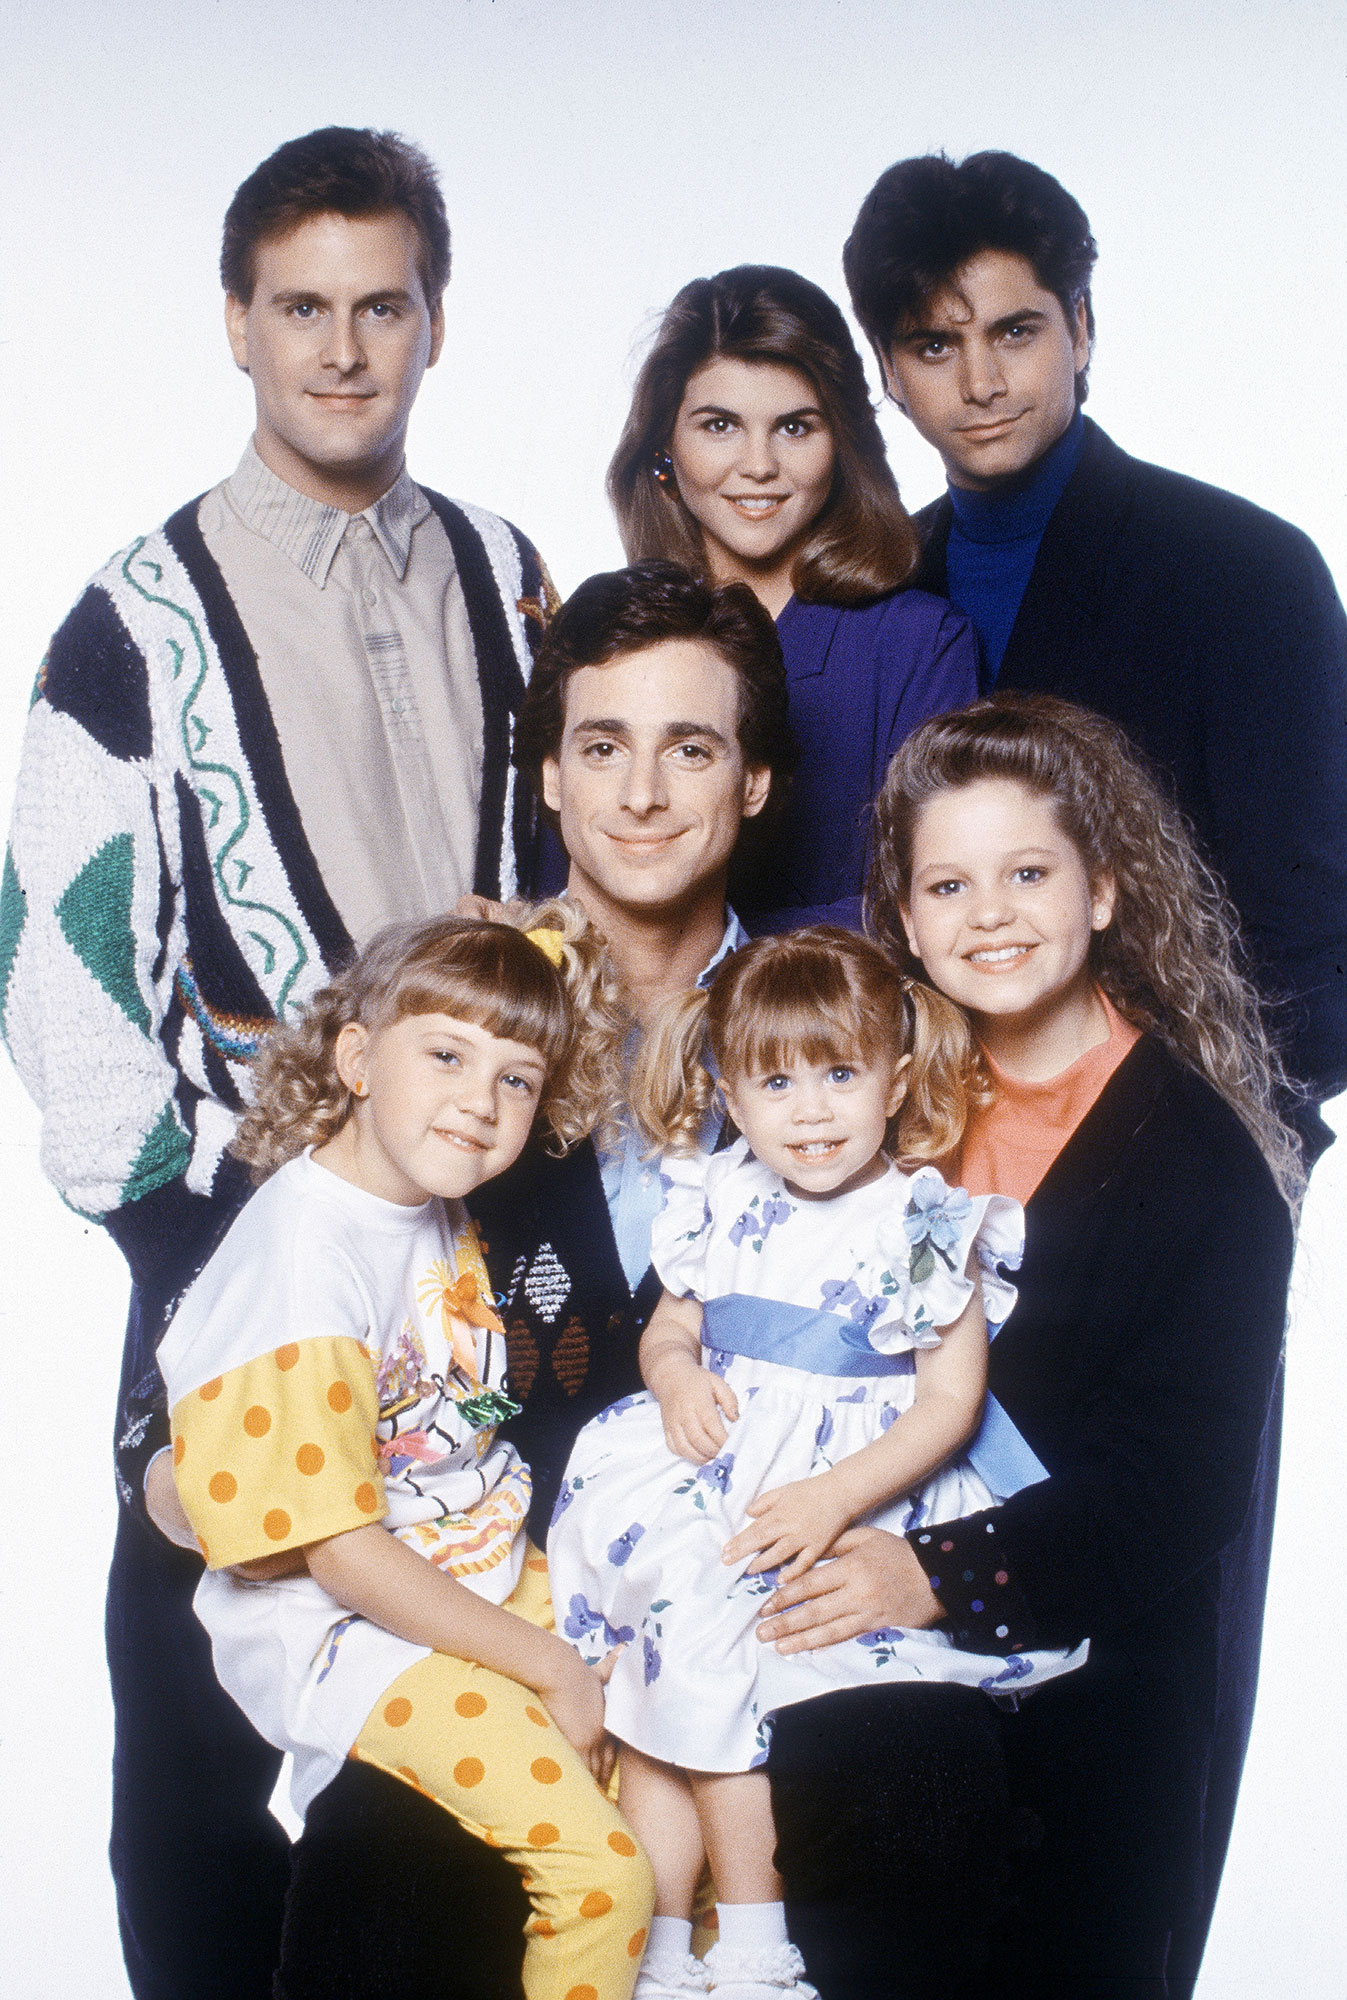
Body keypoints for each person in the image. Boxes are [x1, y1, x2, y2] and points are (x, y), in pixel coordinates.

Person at [0, 126, 550, 1999]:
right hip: (246, 1250)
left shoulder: (508, 573)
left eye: (380, 306)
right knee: (204, 1713)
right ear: (235, 323)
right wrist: (190, 1239)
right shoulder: (133, 620)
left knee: (472, 1706)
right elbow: (60, 960)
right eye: (300, 307)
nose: (341, 348)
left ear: (434, 323)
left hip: (482, 1250)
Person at [274, 559, 798, 1998]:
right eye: (601, 746)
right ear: (551, 779)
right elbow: (288, 1267)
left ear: (754, 781)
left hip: (744, 1603)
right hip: (482, 1605)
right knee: (380, 1875)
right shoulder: (447, 1006)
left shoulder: (827, 1024)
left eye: (690, 749)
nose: (643, 793)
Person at [752, 696, 1298, 1998]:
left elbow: (1177, 1486)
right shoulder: (865, 1094)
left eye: (1027, 874)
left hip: (1073, 1718)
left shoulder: (1197, 1165)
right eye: (948, 884)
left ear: (1102, 889)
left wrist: (927, 1574)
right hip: (819, 1650)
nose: (987, 915)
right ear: (904, 913)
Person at [548, 928, 1080, 2000]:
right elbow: (670, 1327)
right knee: (655, 1684)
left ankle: (753, 1941)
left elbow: (949, 1402)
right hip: (711, 1464)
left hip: (843, 1478)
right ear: (732, 1099)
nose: (811, 1110)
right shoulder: (717, 1192)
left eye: (840, 1074)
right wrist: (674, 1376)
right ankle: (660, 1945)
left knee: (729, 1671)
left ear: (896, 1077)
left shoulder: (924, 1222)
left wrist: (836, 1496)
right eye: (776, 1082)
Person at [156, 911, 655, 2000]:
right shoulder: (305, 1254)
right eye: (445, 1054)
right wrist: (551, 1665)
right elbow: (338, 1550)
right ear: (355, 1058)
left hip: (474, 1563)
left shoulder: (426, 1203)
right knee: (606, 1879)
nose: (481, 1100)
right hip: (351, 1626)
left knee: (667, 1776)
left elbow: (450, 1411)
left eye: (517, 1078)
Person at [841, 147, 1347, 1161]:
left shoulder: (1243, 568)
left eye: (1014, 331)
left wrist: (1178, 1138)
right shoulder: (878, 592)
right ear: (888, 372)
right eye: (935, 345)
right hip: (924, 1155)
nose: (981, 383)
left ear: (1080, 328)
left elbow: (1316, 941)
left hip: (1184, 1150)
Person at [606, 266, 978, 929]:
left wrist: (687, 954)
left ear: (841, 444)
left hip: (849, 997)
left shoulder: (918, 645)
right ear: (664, 446)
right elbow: (566, 897)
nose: (758, 465)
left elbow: (935, 899)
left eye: (795, 428)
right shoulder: (609, 638)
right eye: (719, 425)